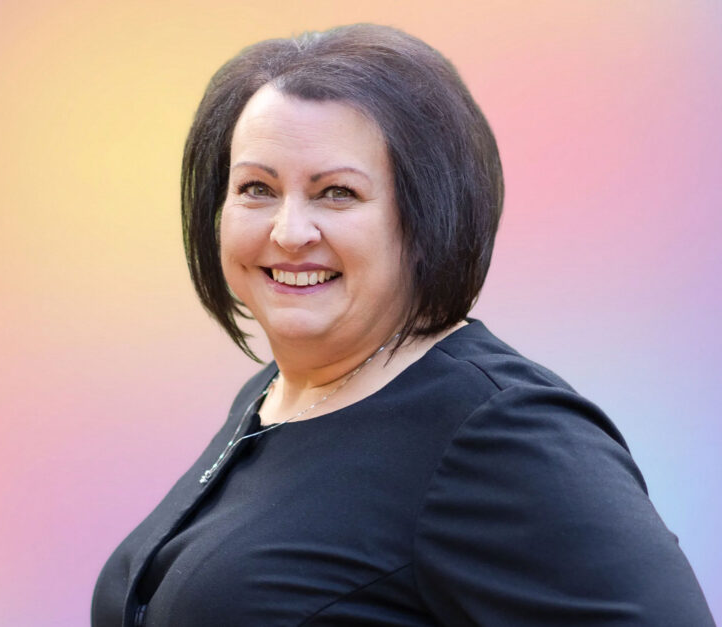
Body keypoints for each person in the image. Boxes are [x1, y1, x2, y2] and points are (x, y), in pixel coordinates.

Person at [91, 24, 714, 626]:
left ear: (425, 219)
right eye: (256, 188)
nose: (288, 232)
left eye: (337, 193)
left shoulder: (501, 433)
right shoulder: (276, 395)